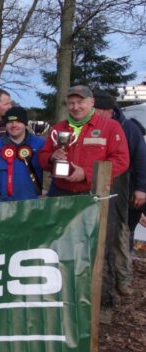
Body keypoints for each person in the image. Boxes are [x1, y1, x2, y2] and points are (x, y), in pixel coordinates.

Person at [93, 89, 146, 307]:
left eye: (95, 109)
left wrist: (141, 188)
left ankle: (123, 280)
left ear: (106, 110)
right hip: (100, 187)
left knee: (122, 234)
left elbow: (141, 159)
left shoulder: (128, 128)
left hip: (126, 191)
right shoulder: (93, 128)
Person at [39, 85, 129, 196]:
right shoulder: (58, 128)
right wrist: (51, 158)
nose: (76, 107)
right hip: (60, 192)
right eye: (71, 103)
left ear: (92, 102)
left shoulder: (111, 127)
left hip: (94, 193)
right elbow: (42, 157)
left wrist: (86, 173)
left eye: (80, 102)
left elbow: (121, 161)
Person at [0, 106, 45, 202]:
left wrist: (46, 193)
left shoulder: (40, 144)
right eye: (10, 122)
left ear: (25, 124)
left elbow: (51, 170)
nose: (14, 125)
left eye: (18, 121)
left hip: (33, 204)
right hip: (3, 205)